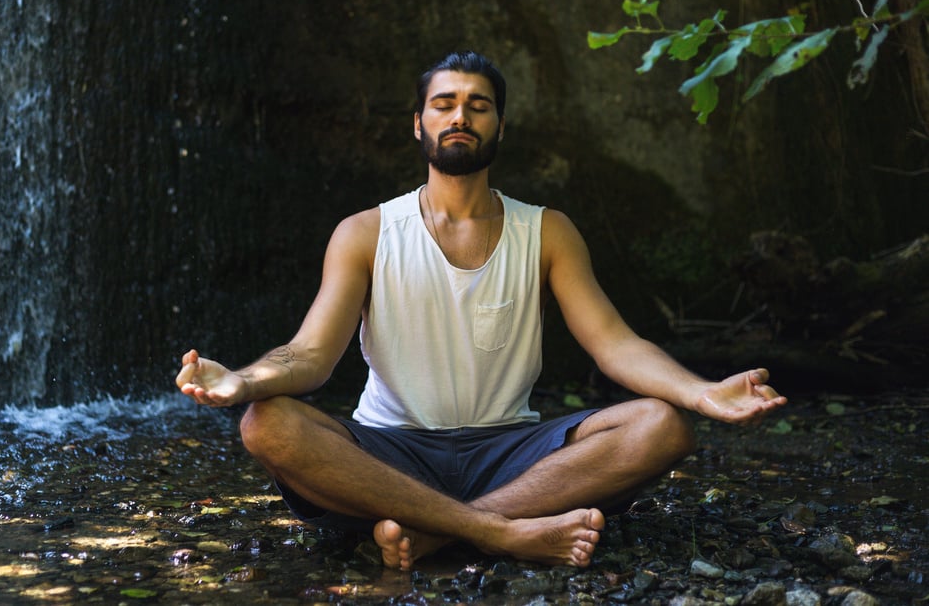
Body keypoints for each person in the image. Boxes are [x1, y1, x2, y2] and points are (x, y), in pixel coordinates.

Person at [176, 50, 787, 571]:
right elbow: (310, 354)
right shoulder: (365, 233)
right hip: (391, 453)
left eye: (478, 104)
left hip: (512, 451)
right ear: (418, 125)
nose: (460, 115)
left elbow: (614, 345)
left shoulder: (548, 232)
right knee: (265, 424)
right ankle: (504, 532)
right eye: (443, 104)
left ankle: (436, 532)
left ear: (500, 125)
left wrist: (700, 392)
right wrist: (244, 380)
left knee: (665, 426)